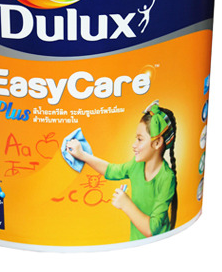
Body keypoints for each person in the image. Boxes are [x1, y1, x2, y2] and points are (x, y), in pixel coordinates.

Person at [67, 100, 177, 241]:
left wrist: (126, 204)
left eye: (139, 139)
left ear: (157, 143)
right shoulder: (136, 165)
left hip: (158, 245)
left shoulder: (167, 178)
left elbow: (152, 230)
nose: (134, 145)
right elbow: (111, 170)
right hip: (135, 242)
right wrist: (82, 155)